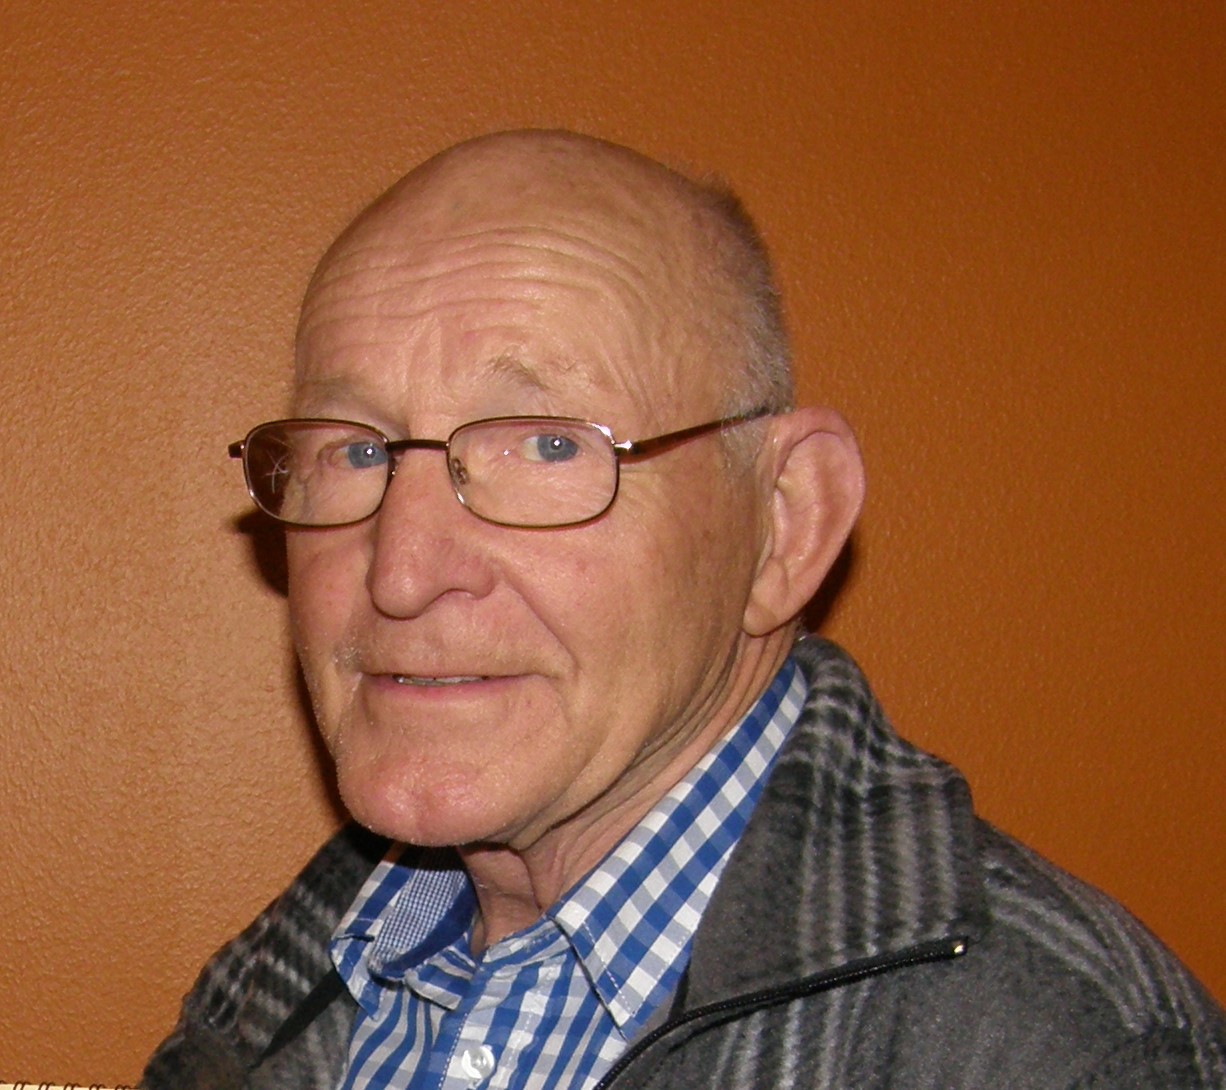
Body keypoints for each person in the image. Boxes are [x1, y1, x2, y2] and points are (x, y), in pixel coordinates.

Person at [143, 130, 1225, 1090]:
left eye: (547, 446)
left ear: (783, 525)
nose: (401, 571)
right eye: (353, 452)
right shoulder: (279, 982)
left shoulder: (1058, 1054)